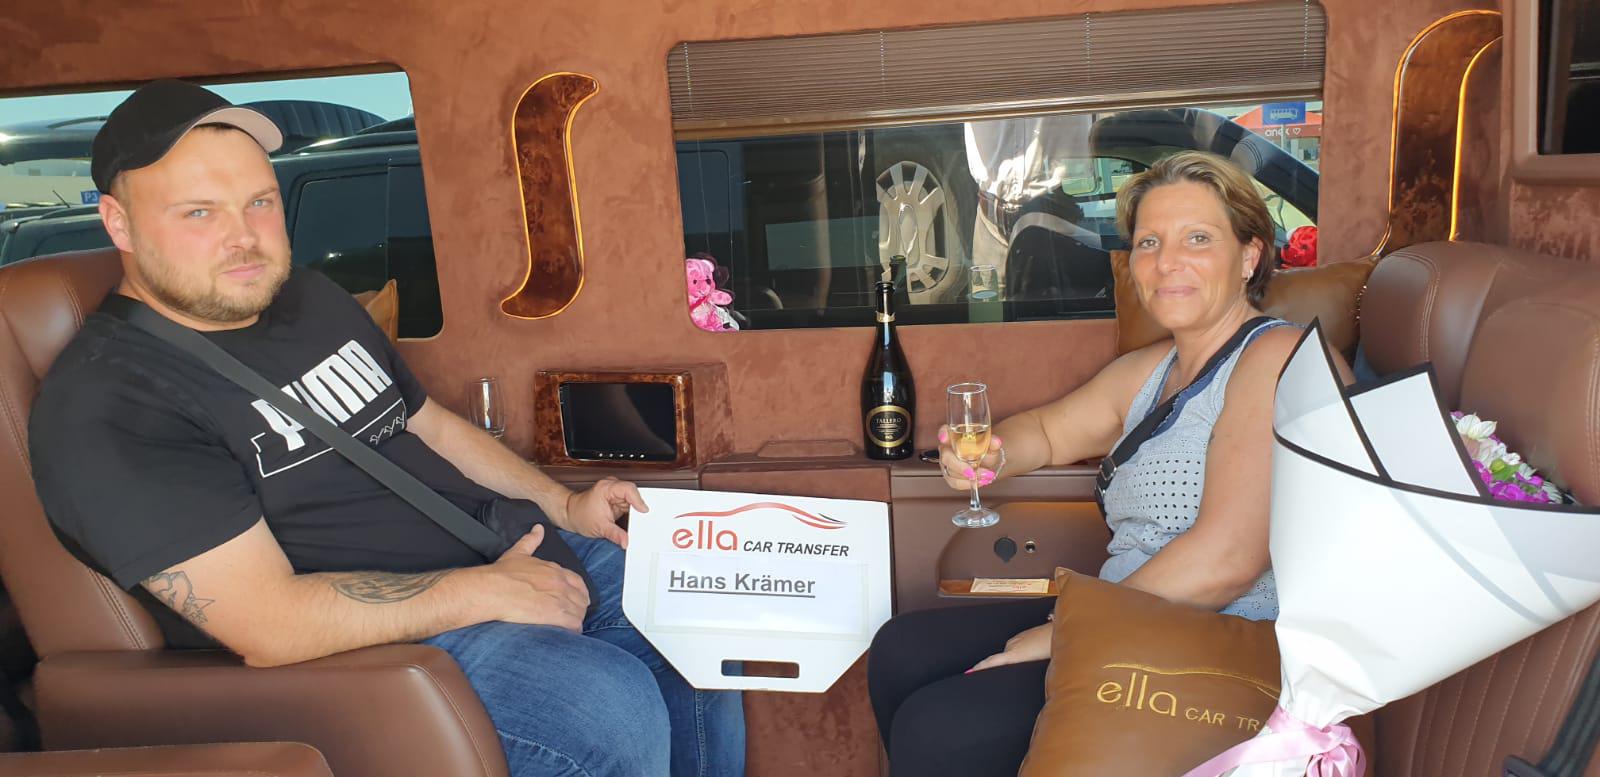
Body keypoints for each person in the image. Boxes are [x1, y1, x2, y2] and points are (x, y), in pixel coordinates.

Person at [28, 80, 743, 777]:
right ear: (118, 223)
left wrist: (564, 506)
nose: (243, 238)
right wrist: (483, 593)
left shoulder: (306, 297)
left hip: (500, 552)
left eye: (260, 202)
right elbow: (267, 622)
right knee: (606, 707)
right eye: (198, 213)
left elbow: (428, 425)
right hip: (385, 647)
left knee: (695, 613)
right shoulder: (111, 402)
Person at [868, 150, 1339, 777]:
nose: (1166, 262)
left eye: (1198, 238)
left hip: (1224, 642)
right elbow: (1046, 431)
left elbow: (1227, 561)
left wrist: (1065, 633)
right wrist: (989, 455)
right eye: (1149, 242)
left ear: (1250, 255)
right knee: (900, 651)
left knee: (939, 728)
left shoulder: (1277, 356)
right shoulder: (1154, 368)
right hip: (1128, 615)